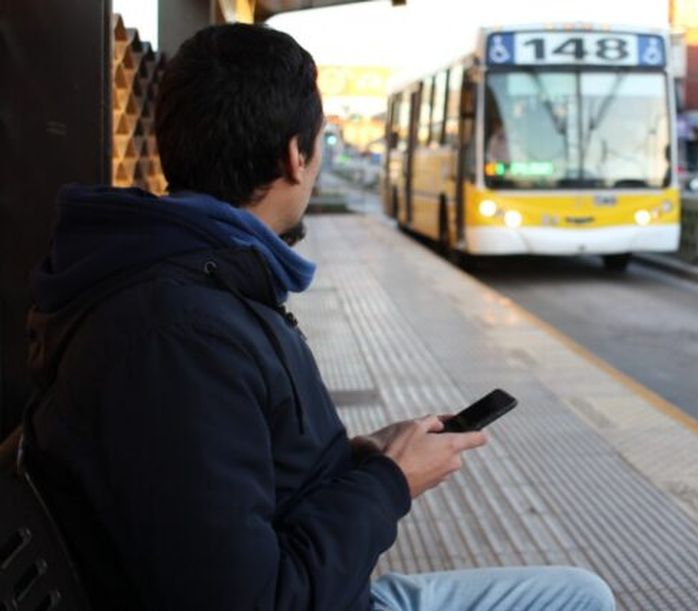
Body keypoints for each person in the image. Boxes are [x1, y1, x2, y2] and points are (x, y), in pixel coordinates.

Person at [23, 23, 615, 611]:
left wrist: (361, 460)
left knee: (579, 591)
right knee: (577, 601)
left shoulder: (191, 285)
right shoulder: (179, 333)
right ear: (296, 155)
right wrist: (391, 484)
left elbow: (227, 485)